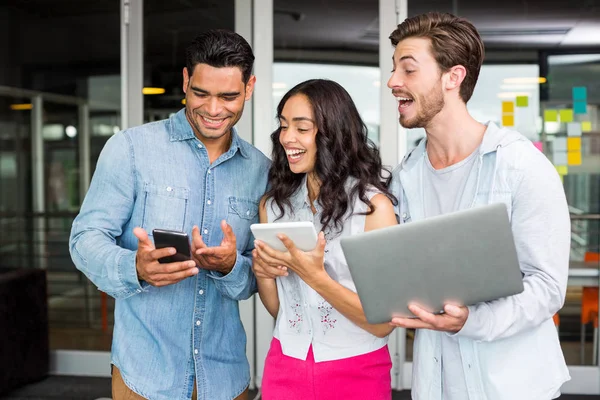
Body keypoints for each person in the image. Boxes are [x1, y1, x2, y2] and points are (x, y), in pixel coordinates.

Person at [69, 29, 270, 400]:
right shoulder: (129, 149)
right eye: (201, 93)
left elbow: (259, 278)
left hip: (226, 377)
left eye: (228, 96)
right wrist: (136, 268)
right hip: (144, 374)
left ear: (250, 87)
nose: (213, 110)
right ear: (185, 80)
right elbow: (84, 240)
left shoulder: (261, 171)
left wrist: (230, 267)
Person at [386, 12, 571, 400]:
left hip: (512, 387)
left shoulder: (521, 166)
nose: (393, 82)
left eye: (408, 69)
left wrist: (471, 320)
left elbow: (547, 287)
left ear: (453, 77)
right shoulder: (406, 176)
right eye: (393, 69)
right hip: (434, 386)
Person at [251, 79, 398, 399]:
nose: (287, 137)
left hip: (358, 369)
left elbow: (383, 323)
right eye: (283, 125)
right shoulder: (274, 207)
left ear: (333, 135)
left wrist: (315, 277)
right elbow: (281, 310)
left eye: (302, 128)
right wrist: (262, 275)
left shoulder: (373, 209)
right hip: (284, 365)